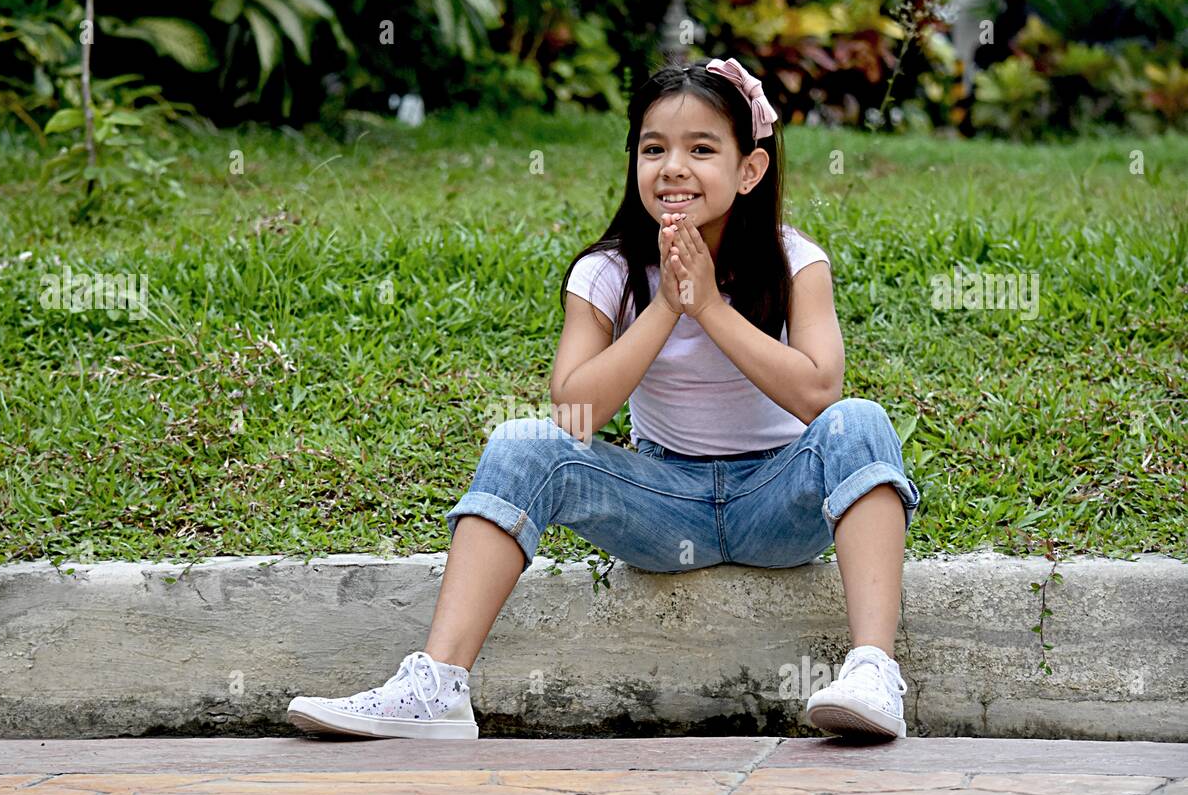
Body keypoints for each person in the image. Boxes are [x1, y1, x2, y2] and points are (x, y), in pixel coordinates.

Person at [287, 57, 921, 742]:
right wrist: (666, 311)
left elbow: (818, 392)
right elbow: (576, 414)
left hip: (777, 499)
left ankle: (872, 671)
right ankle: (438, 686)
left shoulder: (796, 260)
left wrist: (709, 306)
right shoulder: (608, 272)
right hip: (661, 502)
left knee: (861, 421)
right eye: (654, 149)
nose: (673, 167)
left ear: (749, 171)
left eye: (702, 149)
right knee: (521, 443)